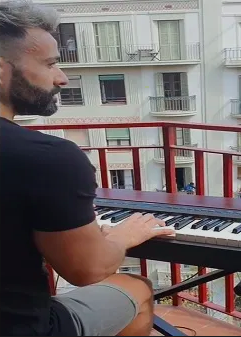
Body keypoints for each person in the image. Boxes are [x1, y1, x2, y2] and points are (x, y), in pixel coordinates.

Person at [0, 1, 175, 336]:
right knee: (136, 287)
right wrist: (121, 237)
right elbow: (88, 270)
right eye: (50, 64)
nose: (61, 78)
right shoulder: (48, 158)